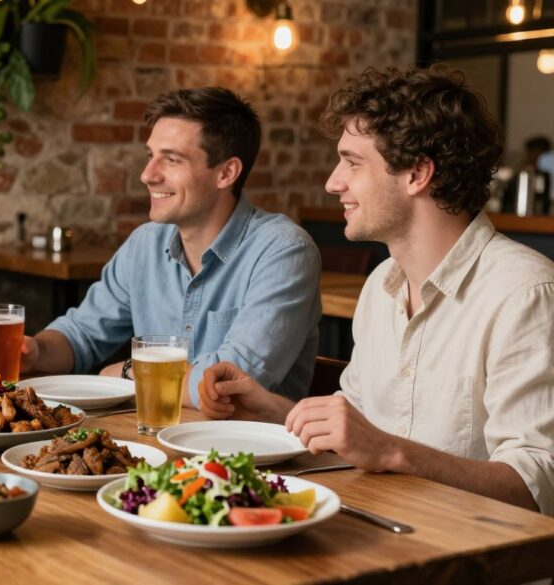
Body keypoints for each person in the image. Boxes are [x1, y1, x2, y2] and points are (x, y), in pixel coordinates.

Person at [199, 66, 554, 514]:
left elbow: (536, 485)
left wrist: (394, 452)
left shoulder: (524, 293)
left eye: (352, 161)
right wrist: (269, 408)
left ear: (417, 173)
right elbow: (360, 432)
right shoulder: (380, 288)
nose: (333, 182)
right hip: (380, 532)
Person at [0, 87, 322, 406]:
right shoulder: (145, 244)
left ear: (226, 173)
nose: (147, 174)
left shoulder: (284, 251)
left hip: (250, 459)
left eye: (171, 159)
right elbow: (82, 334)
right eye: (151, 155)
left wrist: (128, 373)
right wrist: (36, 351)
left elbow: (232, 386)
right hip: (150, 442)